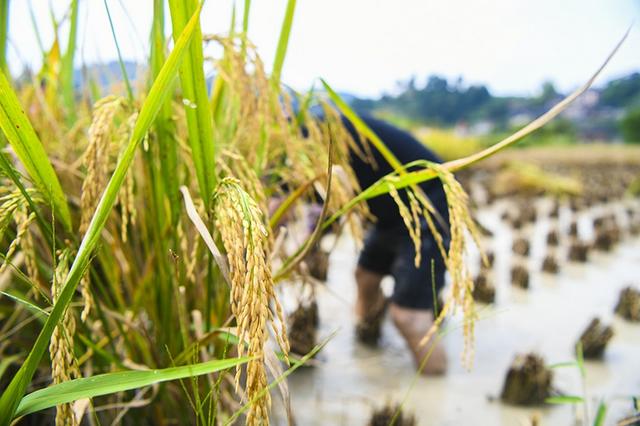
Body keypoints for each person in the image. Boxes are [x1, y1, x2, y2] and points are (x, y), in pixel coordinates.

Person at [341, 115, 450, 376]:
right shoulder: (300, 142)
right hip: (392, 213)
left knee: (408, 316)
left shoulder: (317, 134)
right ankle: (368, 349)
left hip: (428, 205)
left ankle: (434, 390)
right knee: (365, 277)